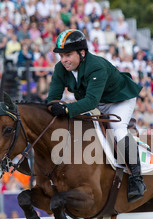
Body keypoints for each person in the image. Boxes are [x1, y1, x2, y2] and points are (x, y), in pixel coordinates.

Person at [46, 29, 146, 203]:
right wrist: (52, 107)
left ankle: (136, 179)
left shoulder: (96, 66)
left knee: (117, 130)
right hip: (96, 101)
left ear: (82, 52)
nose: (64, 60)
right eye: (61, 56)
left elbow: (91, 102)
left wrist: (67, 110)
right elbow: (52, 97)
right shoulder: (60, 68)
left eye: (68, 55)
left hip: (118, 100)